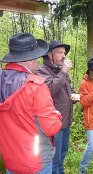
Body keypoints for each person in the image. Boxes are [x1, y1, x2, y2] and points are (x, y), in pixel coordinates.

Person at [0, 33, 62, 174]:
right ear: (31, 58)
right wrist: (56, 116)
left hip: (10, 158)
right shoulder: (36, 86)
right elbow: (51, 128)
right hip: (36, 162)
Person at [36, 40, 77, 174]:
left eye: (64, 53)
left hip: (65, 122)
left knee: (62, 154)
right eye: (59, 52)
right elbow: (49, 90)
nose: (64, 56)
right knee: (54, 158)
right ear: (49, 55)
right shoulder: (41, 71)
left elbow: (68, 88)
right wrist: (63, 71)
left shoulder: (60, 70)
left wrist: (73, 95)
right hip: (53, 124)